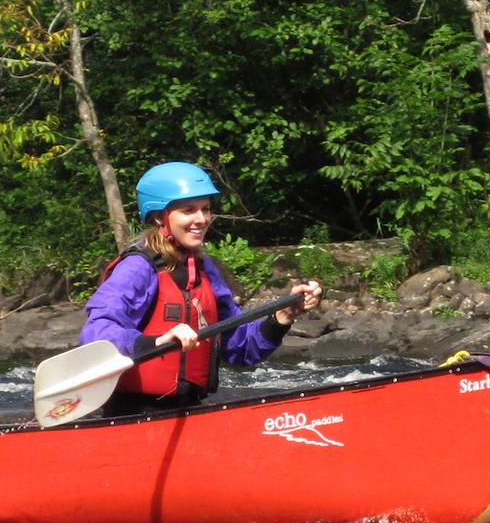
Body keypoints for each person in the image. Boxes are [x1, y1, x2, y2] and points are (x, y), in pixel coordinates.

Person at [80, 161, 322, 416]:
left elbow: (239, 347)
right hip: (134, 413)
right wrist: (157, 341)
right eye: (188, 210)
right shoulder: (138, 268)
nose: (201, 219)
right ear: (159, 216)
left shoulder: (204, 269)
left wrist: (281, 317)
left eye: (205, 209)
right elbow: (96, 332)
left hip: (188, 411)